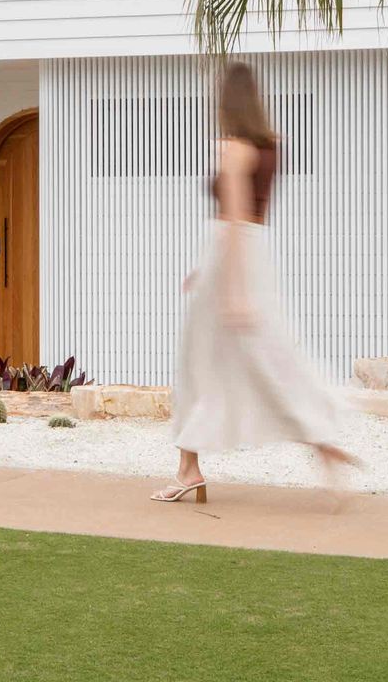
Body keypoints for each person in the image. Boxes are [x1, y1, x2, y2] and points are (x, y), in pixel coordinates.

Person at [151, 61, 357, 504]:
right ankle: (322, 443)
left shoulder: (232, 147)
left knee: (199, 368)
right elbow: (248, 222)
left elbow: (234, 219)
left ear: (225, 101)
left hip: (234, 262)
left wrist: (230, 289)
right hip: (249, 256)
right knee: (270, 359)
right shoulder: (269, 146)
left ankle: (190, 471)